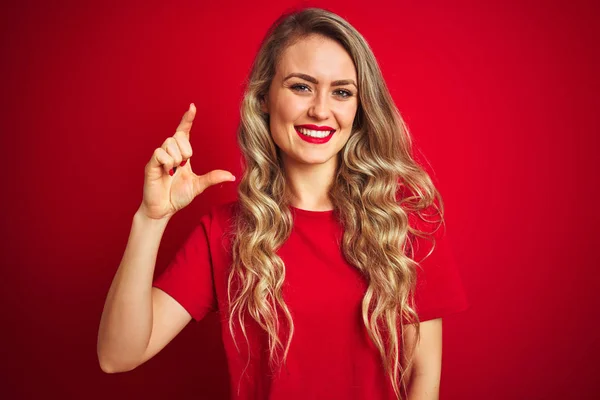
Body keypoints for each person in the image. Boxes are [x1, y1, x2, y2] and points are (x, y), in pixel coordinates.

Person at [97, 7, 468, 400]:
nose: (321, 110)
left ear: (359, 109)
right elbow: (117, 355)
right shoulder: (225, 232)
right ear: (264, 98)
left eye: (342, 92)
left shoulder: (405, 223)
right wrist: (151, 219)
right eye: (301, 86)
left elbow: (423, 379)